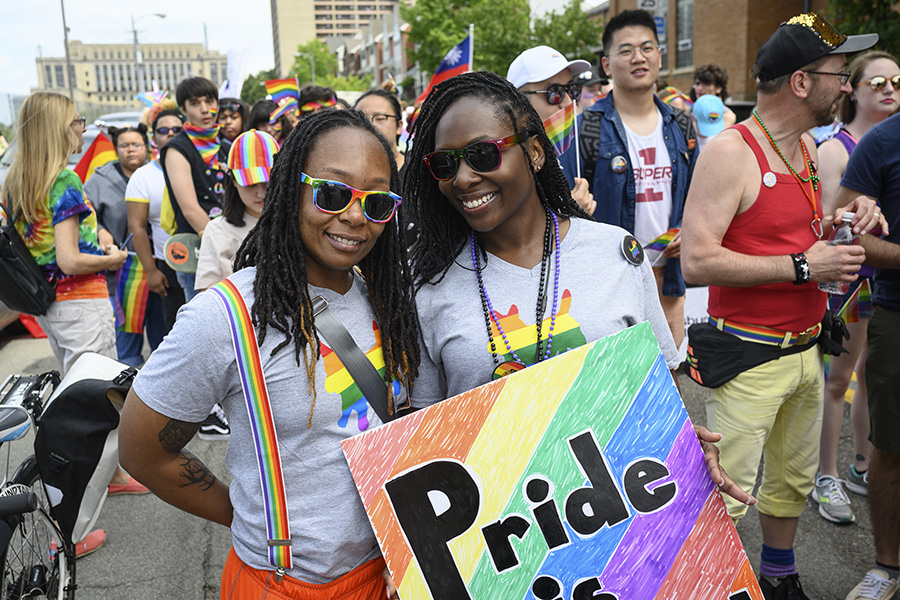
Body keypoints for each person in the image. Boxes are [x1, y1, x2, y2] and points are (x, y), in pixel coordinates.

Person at [404, 71, 754, 511]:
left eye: (482, 154)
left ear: (533, 152)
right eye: (444, 163)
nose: (463, 178)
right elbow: (426, 434)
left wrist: (683, 445)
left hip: (623, 513)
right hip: (500, 539)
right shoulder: (430, 288)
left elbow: (660, 386)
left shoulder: (616, 253)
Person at [119, 108, 418, 596]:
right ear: (288, 190)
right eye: (332, 193)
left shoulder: (385, 298)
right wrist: (251, 520)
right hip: (282, 585)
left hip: (388, 577)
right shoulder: (225, 317)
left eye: (377, 202)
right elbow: (142, 451)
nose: (355, 216)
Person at [680, 14, 878, 598]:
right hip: (747, 358)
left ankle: (780, 575)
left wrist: (846, 221)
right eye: (839, 75)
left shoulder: (810, 149)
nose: (846, 85)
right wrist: (802, 268)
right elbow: (696, 260)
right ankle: (705, 585)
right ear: (800, 82)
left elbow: (796, 232)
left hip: (806, 351)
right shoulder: (730, 151)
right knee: (725, 494)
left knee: (791, 481)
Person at [0, 91, 130, 557]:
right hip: (82, 305)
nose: (83, 129)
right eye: (78, 122)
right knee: (102, 414)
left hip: (52, 309)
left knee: (81, 405)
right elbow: (71, 258)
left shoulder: (16, 181)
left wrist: (96, 238)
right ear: (59, 128)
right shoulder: (65, 181)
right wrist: (111, 257)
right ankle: (68, 535)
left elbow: (50, 252)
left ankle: (108, 480)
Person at [813, 50, 900, 526]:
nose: (889, 89)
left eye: (896, 81)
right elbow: (830, 227)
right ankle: (825, 476)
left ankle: (862, 465)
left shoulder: (894, 143)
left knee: (874, 380)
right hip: (848, 283)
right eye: (877, 81)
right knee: (837, 381)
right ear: (854, 90)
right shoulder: (836, 148)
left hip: (884, 283)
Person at [579, 9, 695, 353]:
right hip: (611, 284)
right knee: (618, 382)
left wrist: (686, 231)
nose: (638, 57)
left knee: (669, 379)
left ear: (659, 56)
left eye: (647, 47)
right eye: (625, 50)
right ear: (606, 65)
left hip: (668, 280)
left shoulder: (681, 125)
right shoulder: (588, 127)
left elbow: (696, 198)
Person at [835, 113, 900, 600]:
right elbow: (846, 233)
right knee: (892, 446)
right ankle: (886, 567)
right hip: (897, 315)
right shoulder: (882, 141)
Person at [86, 125, 165, 367]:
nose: (130, 150)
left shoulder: (162, 173)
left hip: (159, 263)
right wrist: (99, 230)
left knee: (163, 333)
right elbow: (85, 216)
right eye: (124, 145)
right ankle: (125, 393)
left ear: (147, 146)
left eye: (136, 144)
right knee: (126, 335)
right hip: (123, 269)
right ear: (115, 148)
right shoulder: (98, 181)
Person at [160, 76, 231, 302]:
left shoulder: (226, 145)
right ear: (183, 109)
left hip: (231, 245)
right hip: (197, 251)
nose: (205, 109)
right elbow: (190, 208)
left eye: (210, 101)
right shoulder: (177, 149)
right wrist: (223, 246)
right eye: (195, 103)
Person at [507, 45, 596, 215]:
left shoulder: (574, 145)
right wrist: (565, 215)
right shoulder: (504, 159)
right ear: (518, 101)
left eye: (571, 90)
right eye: (555, 92)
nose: (568, 102)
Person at [125, 109, 186, 333]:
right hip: (169, 264)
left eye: (177, 129)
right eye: (163, 130)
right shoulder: (142, 176)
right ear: (154, 138)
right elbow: (137, 227)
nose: (170, 134)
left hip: (209, 260)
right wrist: (151, 271)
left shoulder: (201, 166)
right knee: (178, 330)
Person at [195, 129, 278, 292]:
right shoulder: (218, 230)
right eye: (250, 184)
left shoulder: (299, 223)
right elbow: (207, 292)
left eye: (267, 183)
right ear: (233, 181)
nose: (261, 193)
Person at [691, 64, 737, 128]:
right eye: (697, 84)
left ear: (718, 88)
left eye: (706, 84)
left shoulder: (727, 115)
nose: (699, 88)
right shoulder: (689, 111)